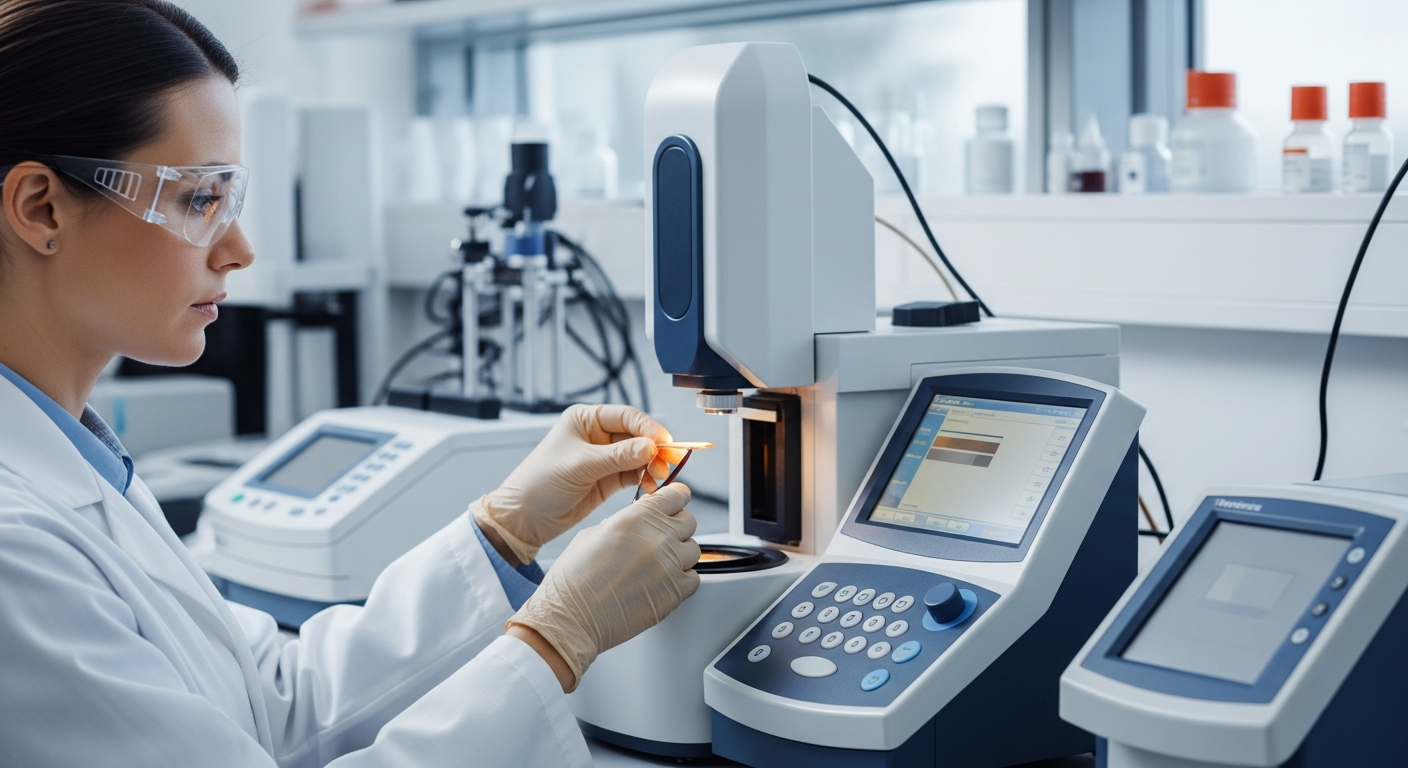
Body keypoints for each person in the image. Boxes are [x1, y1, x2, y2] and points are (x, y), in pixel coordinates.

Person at [0, 2, 700, 765]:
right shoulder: (15, 550)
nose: (239, 249)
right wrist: (555, 640)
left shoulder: (79, 466)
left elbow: (270, 705)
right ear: (41, 208)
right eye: (199, 198)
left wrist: (504, 531)